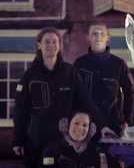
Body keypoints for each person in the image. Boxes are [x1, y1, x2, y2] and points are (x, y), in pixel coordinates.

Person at [12, 27, 95, 168]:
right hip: (35, 138)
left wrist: (99, 126)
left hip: (64, 139)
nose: (51, 45)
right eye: (47, 42)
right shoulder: (29, 76)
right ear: (39, 45)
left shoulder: (70, 72)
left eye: (55, 42)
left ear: (60, 45)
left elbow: (85, 102)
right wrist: (18, 140)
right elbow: (20, 110)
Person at [74, 23, 134, 167]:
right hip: (87, 124)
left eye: (102, 34)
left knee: (115, 162)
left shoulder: (119, 64)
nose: (98, 37)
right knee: (87, 162)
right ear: (88, 38)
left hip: (113, 122)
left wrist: (127, 119)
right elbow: (75, 94)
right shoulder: (80, 64)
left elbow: (130, 92)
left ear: (108, 38)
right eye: (94, 33)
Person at [41, 111, 108, 168]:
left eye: (85, 125)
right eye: (76, 123)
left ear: (90, 129)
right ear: (67, 125)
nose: (80, 128)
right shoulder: (51, 149)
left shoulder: (96, 150)